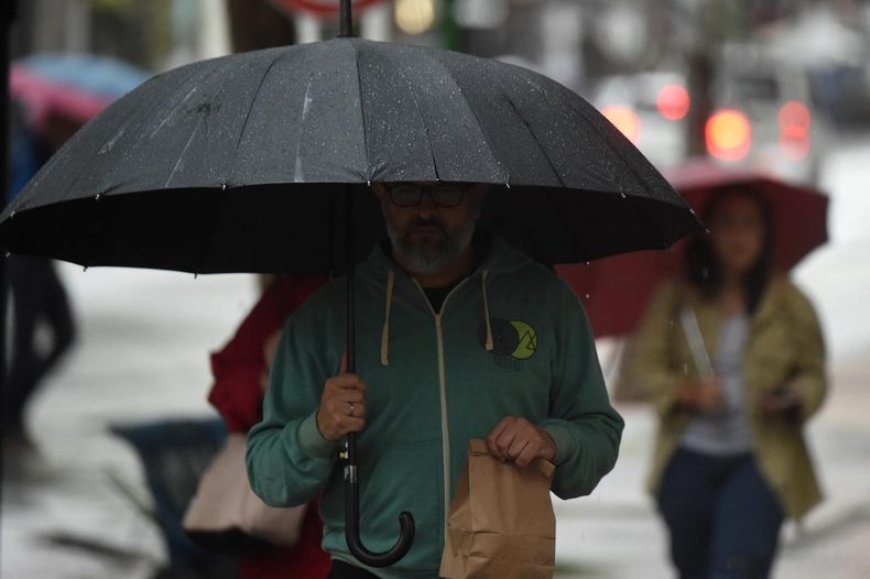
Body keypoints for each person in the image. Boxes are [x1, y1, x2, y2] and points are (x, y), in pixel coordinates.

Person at [246, 182, 624, 578]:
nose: (425, 211)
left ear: (480, 192)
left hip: (501, 567)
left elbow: (599, 434)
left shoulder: (547, 303)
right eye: (406, 191)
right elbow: (269, 476)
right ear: (378, 193)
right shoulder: (325, 317)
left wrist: (553, 442)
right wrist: (319, 430)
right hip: (367, 568)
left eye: (446, 192)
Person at [631, 185, 827, 579]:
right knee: (695, 566)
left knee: (738, 564)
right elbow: (644, 371)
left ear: (765, 233)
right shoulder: (677, 299)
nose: (738, 236)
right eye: (727, 224)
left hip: (760, 458)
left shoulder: (788, 301)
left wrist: (794, 397)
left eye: (749, 224)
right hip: (688, 459)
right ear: (708, 232)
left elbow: (815, 373)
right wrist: (687, 391)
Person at [208, 275, 330, 579]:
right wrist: (269, 382)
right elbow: (226, 388)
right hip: (286, 533)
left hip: (380, 526)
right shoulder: (294, 293)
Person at [3, 101, 77, 451]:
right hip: (22, 257)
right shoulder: (29, 153)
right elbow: (21, 204)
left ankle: (12, 409)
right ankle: (10, 417)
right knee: (24, 345)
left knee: (65, 335)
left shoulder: (54, 152)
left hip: (41, 259)